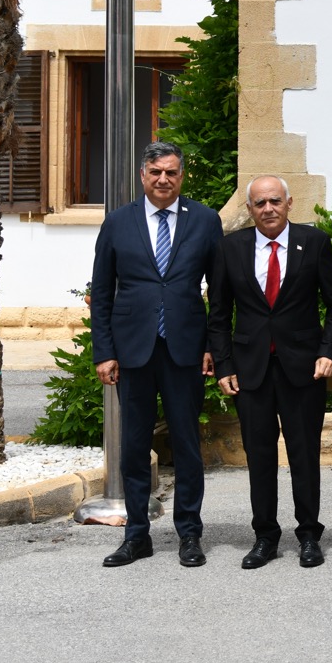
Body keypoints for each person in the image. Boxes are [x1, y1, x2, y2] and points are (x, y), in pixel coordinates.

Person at [90, 141, 223, 568]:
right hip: (133, 351)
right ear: (143, 176)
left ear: (181, 176)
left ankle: (189, 533)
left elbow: (220, 293)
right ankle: (136, 535)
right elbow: (102, 292)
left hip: (186, 350)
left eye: (171, 172)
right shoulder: (118, 222)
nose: (163, 179)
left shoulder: (205, 220)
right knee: (133, 446)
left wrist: (213, 347)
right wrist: (104, 352)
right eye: (155, 172)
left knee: (186, 445)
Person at [207, 174, 332, 569]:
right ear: (249, 209)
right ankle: (265, 537)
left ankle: (309, 536)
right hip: (250, 371)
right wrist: (224, 365)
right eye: (260, 203)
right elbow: (218, 314)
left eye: (274, 201)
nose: (268, 209)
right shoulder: (230, 248)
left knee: (304, 454)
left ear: (289, 203)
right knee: (260, 457)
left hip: (303, 370)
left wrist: (328, 352)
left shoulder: (314, 242)